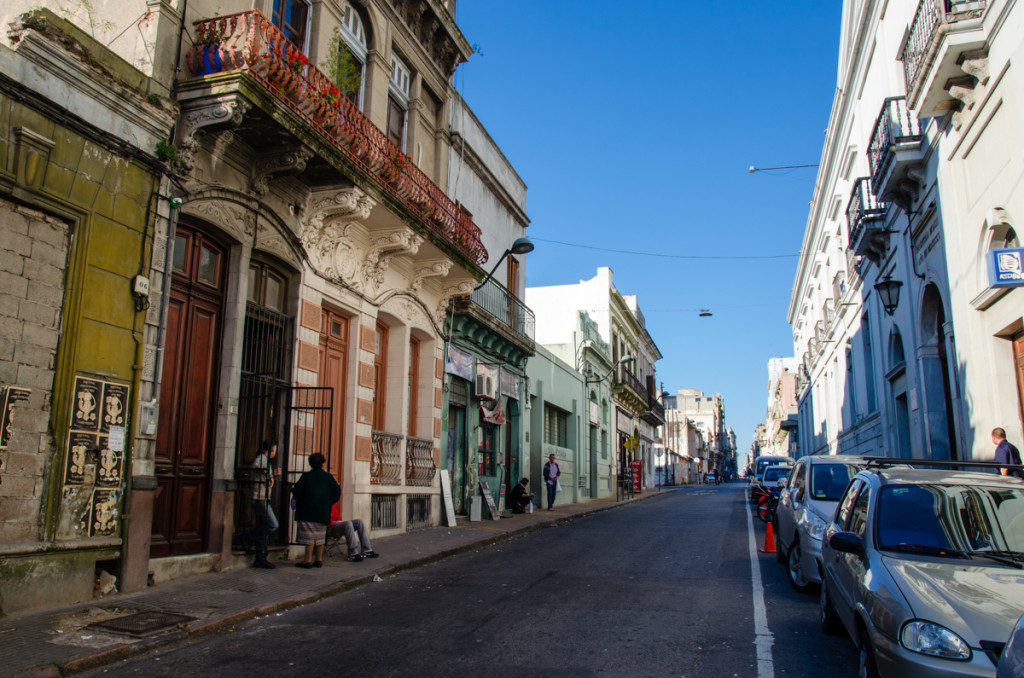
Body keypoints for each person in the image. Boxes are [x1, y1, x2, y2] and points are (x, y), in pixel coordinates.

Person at [291, 452, 341, 569]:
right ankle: (318, 559)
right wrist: (329, 502)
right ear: (323, 463)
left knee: (309, 536)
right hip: (322, 511)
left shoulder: (306, 477)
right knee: (320, 536)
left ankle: (307, 560)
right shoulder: (328, 477)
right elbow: (337, 491)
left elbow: (297, 491)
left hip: (307, 511)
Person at [245, 439, 280, 569]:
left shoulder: (265, 460)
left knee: (264, 526)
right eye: (274, 451)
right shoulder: (262, 459)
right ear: (269, 450)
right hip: (259, 497)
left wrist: (272, 476)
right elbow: (258, 468)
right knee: (272, 524)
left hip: (263, 496)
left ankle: (260, 557)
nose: (274, 454)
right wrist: (270, 476)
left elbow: (266, 477)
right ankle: (248, 537)